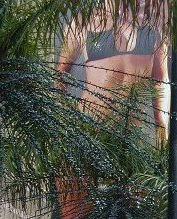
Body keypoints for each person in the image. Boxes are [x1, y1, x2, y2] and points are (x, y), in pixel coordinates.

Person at [57, 0, 170, 147]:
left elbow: (161, 82)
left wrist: (161, 125)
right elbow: (60, 77)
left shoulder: (152, 29)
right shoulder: (81, 24)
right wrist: (62, 120)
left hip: (130, 135)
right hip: (90, 128)